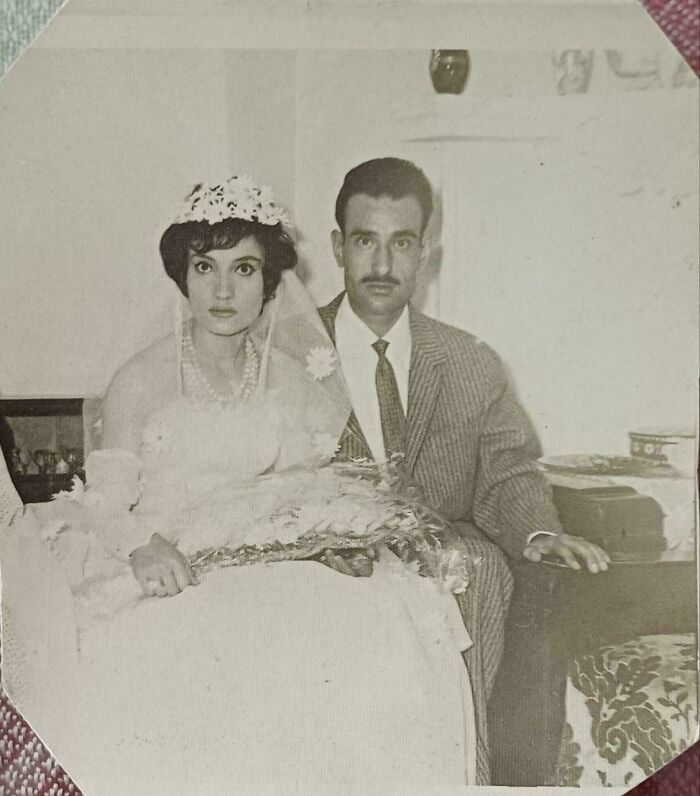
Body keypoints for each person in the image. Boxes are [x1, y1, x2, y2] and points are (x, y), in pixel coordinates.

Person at [0, 176, 477, 794]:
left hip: (266, 567)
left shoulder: (291, 382)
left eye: (244, 269)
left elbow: (315, 491)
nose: (223, 290)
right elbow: (103, 504)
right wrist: (144, 544)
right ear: (184, 276)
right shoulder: (140, 381)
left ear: (269, 282)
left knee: (369, 626)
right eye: (206, 267)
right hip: (171, 569)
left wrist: (335, 540)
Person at [318, 157, 611, 782]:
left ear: (426, 252)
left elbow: (507, 470)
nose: (381, 264)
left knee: (480, 574)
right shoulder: (289, 350)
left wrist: (539, 534)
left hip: (447, 575)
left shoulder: (470, 360)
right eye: (365, 240)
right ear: (339, 245)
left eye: (402, 242)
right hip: (330, 575)